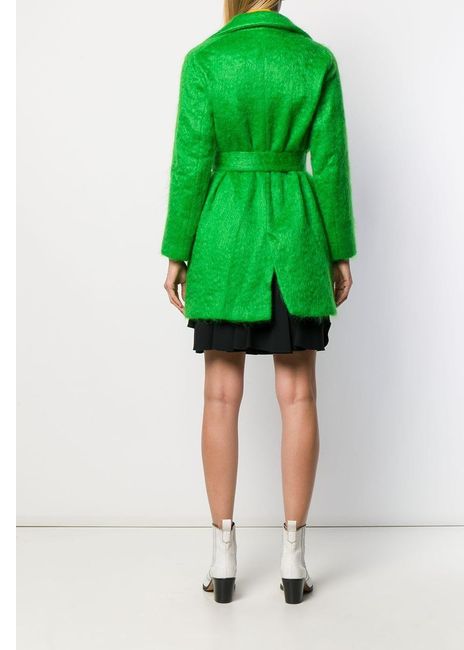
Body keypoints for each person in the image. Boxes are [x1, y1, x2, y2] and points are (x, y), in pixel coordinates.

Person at [161, 0, 356, 604]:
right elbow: (330, 164)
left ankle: (223, 558)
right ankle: (294, 561)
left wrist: (177, 249)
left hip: (224, 242)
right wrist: (338, 250)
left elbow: (191, 164)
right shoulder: (315, 60)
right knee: (299, 397)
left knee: (220, 397)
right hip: (295, 238)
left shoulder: (206, 60)